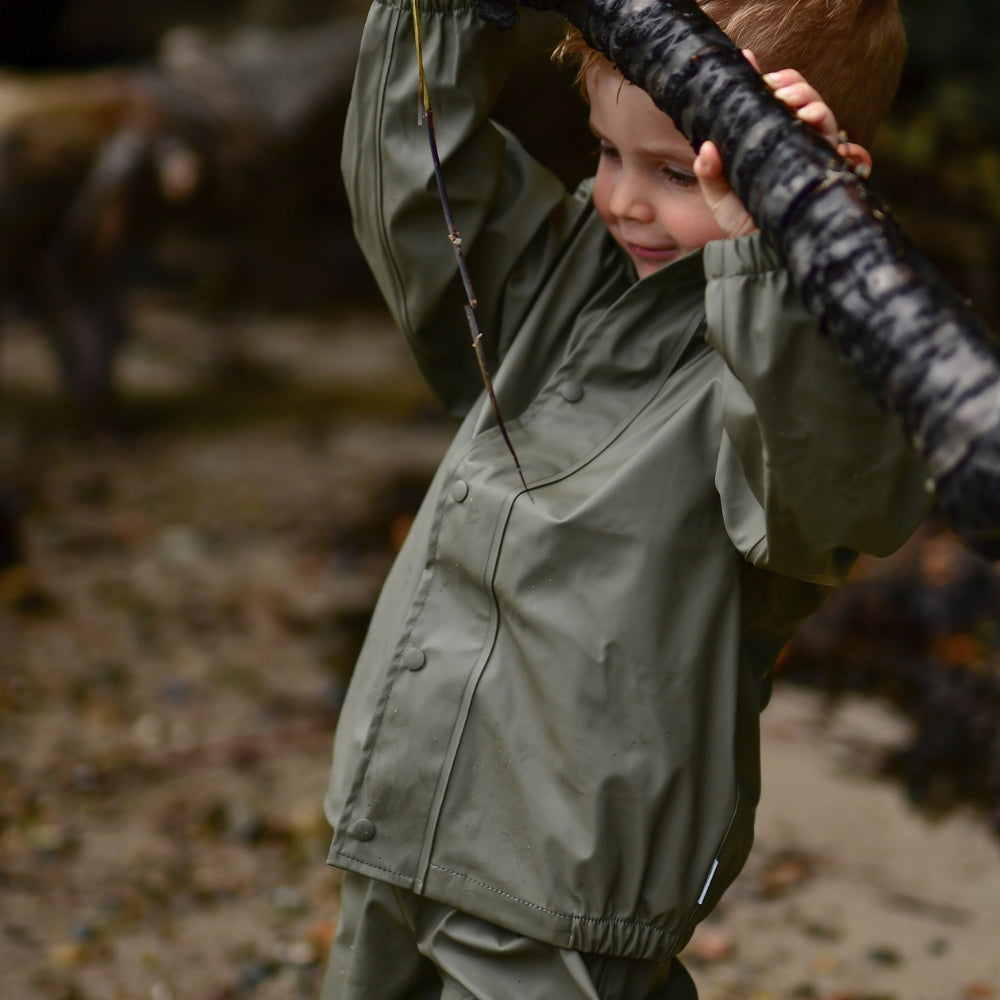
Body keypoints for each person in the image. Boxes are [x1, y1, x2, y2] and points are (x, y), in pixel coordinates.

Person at [323, 0, 929, 996]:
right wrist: (443, 18)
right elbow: (418, 201)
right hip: (400, 810)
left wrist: (789, 251)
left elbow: (833, 494)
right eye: (607, 151)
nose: (624, 202)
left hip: (567, 886)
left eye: (677, 174)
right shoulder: (571, 271)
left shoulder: (813, 358)